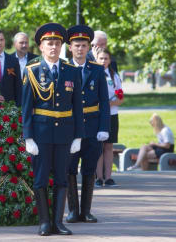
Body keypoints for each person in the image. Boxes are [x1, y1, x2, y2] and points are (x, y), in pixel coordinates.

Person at [22, 23, 85, 236]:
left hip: (64, 133)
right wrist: (28, 137)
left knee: (61, 177)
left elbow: (78, 106)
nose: (53, 47)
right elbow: (26, 108)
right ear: (41, 46)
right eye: (49, 43)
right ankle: (44, 222)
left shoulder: (71, 71)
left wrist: (78, 135)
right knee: (40, 178)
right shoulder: (32, 71)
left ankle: (58, 222)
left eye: (57, 43)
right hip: (40, 134)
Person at [66, 25, 110, 224]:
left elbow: (104, 102)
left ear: (88, 47)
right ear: (70, 47)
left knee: (89, 170)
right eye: (77, 45)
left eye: (84, 45)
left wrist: (104, 128)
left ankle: (87, 211)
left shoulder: (97, 70)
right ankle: (73, 210)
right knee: (69, 169)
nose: (81, 49)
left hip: (92, 127)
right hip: (70, 128)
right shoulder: (64, 68)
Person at [95, 48, 123, 187]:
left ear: (110, 60)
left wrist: (112, 103)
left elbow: (120, 96)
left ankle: (109, 177)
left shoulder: (114, 76)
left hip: (112, 114)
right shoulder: (93, 74)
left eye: (106, 59)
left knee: (109, 146)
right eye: (101, 58)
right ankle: (99, 177)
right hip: (97, 115)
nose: (103, 61)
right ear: (96, 59)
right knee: (98, 146)